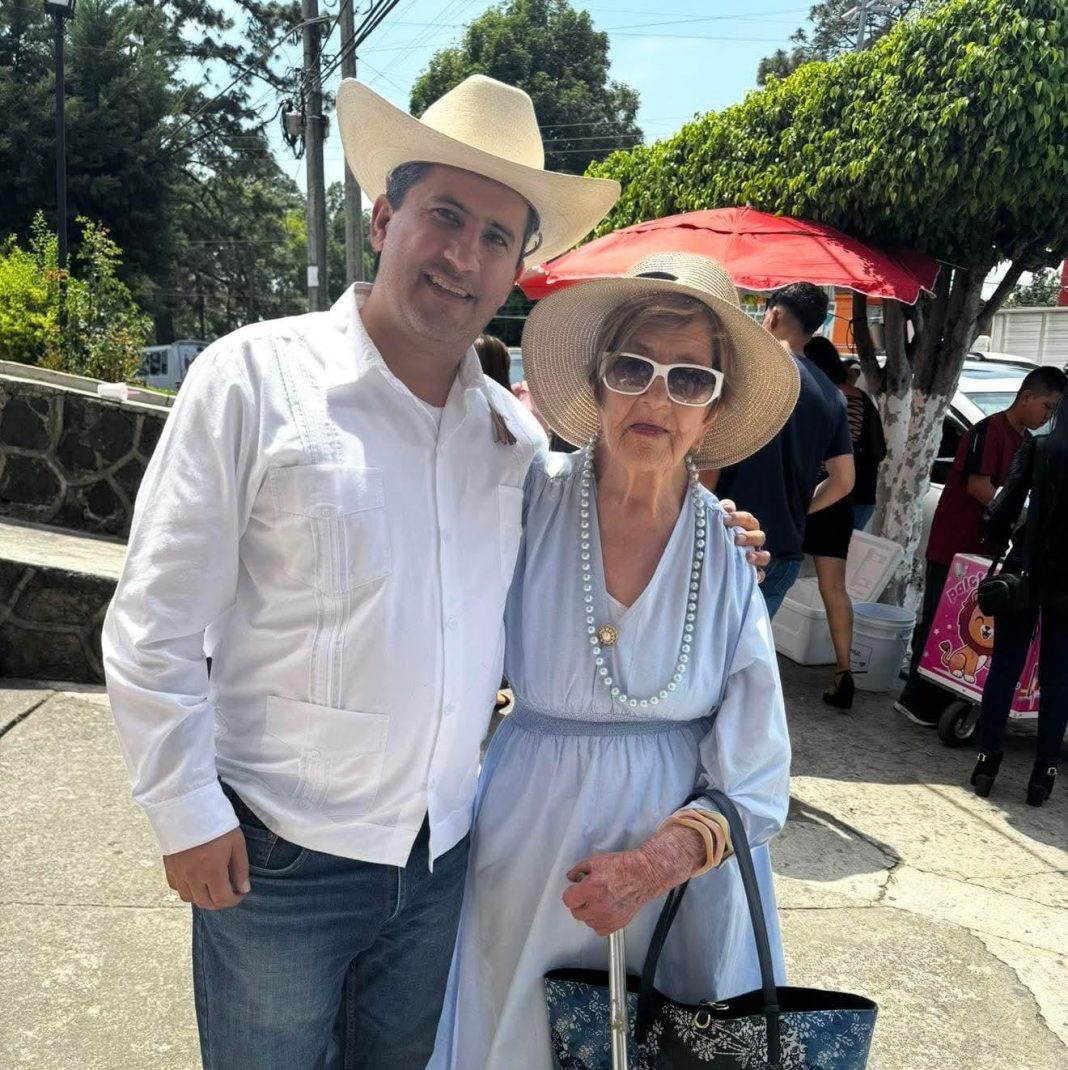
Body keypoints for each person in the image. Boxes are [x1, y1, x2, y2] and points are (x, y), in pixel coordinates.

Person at [101, 76, 767, 1070]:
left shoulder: (509, 442)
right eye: (445, 215)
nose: (464, 255)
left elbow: (612, 525)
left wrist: (717, 530)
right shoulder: (253, 380)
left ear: (515, 269)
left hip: (444, 860)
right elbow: (152, 619)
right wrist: (184, 811)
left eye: (496, 236)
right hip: (280, 855)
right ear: (383, 218)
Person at [430, 253, 799, 1070]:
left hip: (684, 884)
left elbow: (758, 767)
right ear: (598, 383)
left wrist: (658, 865)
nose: (656, 399)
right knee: (514, 1038)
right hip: (528, 851)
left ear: (712, 413)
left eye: (689, 380)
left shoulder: (726, 551)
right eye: (633, 368)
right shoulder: (525, 500)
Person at [896, 366, 1067, 727]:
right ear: (1027, 398)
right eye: (1048, 407)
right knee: (937, 618)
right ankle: (915, 699)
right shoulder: (988, 431)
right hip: (955, 544)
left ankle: (946, 695)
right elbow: (979, 486)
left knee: (964, 626)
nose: (1048, 416)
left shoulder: (1025, 441)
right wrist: (1019, 514)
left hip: (987, 552)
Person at [709, 283, 855, 618]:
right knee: (748, 648)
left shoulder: (743, 372)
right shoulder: (832, 396)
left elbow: (709, 460)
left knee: (700, 644)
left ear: (773, 316)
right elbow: (844, 480)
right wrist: (799, 509)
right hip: (784, 550)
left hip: (727, 537)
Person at [972, 392, 1068, 806]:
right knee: (1059, 679)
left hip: (1025, 568)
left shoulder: (1040, 445)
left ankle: (987, 762)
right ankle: (1043, 775)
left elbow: (1005, 505)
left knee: (1005, 666)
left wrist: (996, 532)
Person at [801, 336, 884, 709]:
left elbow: (825, 454)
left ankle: (745, 665)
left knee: (768, 578)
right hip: (841, 502)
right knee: (834, 588)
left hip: (808, 495)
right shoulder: (859, 398)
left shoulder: (817, 396)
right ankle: (843, 670)